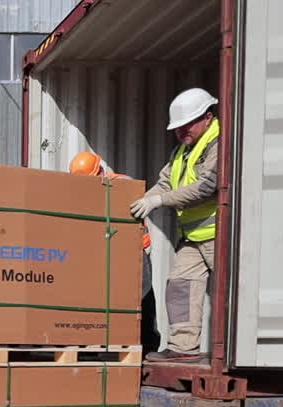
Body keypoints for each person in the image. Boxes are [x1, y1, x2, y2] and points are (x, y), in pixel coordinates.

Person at [129, 88, 221, 363]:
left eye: (187, 125)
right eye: (178, 128)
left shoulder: (219, 145)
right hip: (193, 236)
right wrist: (141, 202)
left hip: (222, 235)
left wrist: (159, 201)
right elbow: (166, 181)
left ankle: (232, 353)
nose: (181, 132)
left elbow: (208, 186)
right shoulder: (182, 150)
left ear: (207, 117)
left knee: (231, 297)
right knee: (179, 285)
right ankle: (182, 348)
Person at [68, 152, 160, 354]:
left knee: (141, 295)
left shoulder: (120, 183)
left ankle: (148, 344)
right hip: (107, 252)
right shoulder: (82, 193)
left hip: (135, 249)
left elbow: (128, 195)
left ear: (100, 170)